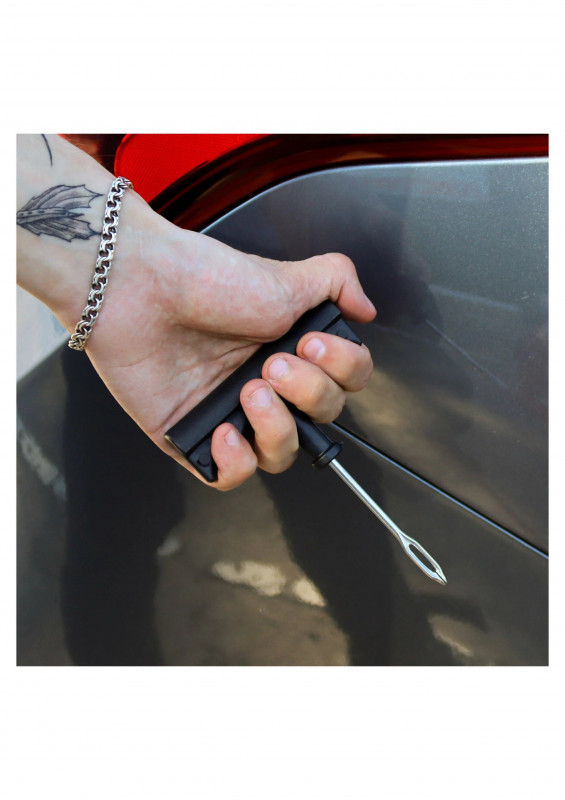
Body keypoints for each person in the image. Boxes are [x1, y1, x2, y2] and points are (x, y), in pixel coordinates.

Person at [17, 134, 376, 491]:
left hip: (201, 212)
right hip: (185, 195)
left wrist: (135, 273)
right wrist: (132, 271)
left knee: (291, 441)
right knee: (117, 493)